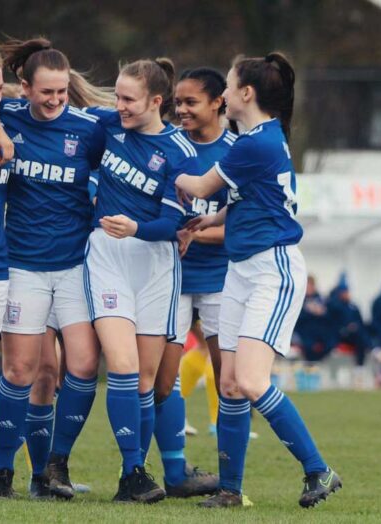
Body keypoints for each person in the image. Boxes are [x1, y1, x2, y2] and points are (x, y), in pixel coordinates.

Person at [176, 52, 341, 509]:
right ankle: (230, 490)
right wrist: (205, 224)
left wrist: (160, 163)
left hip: (274, 270)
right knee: (228, 383)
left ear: (246, 94)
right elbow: (241, 199)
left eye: (227, 87)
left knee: (250, 380)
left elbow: (199, 185)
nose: (223, 94)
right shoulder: (253, 139)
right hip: (243, 269)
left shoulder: (256, 142)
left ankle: (318, 470)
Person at [0, 38, 108, 499]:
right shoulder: (7, 118)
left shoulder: (89, 129)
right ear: (25, 88)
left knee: (84, 366)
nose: (55, 100)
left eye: (62, 92)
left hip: (75, 266)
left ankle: (55, 466)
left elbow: (133, 139)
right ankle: (3, 474)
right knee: (20, 371)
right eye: (46, 92)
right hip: (23, 267)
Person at [84, 57, 202, 503]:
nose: (120, 106)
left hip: (155, 264)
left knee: (147, 381)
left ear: (156, 101)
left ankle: (133, 474)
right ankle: (133, 470)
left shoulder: (180, 152)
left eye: (129, 99)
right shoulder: (107, 127)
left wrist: (135, 227)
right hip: (109, 257)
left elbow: (172, 224)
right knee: (123, 366)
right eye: (116, 96)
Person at [150, 67, 238, 498]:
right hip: (172, 277)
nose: (180, 110)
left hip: (223, 278)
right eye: (177, 102)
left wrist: (195, 232)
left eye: (190, 102)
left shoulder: (238, 150)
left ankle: (230, 482)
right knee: (162, 382)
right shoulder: (168, 145)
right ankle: (176, 471)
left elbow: (244, 223)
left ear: (218, 102)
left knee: (229, 382)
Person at [326, 275, 372, 386]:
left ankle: (360, 367)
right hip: (340, 335)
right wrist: (346, 328)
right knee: (359, 336)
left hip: (354, 336)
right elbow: (332, 324)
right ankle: (373, 349)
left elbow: (361, 322)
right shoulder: (333, 306)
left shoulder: (353, 306)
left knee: (360, 335)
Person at [294, 275, 331, 361]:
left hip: (319, 332)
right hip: (304, 331)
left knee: (328, 340)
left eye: (311, 285)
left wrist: (321, 312)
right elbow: (296, 318)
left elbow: (328, 318)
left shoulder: (321, 300)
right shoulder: (298, 299)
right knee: (308, 344)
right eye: (307, 285)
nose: (309, 288)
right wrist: (309, 311)